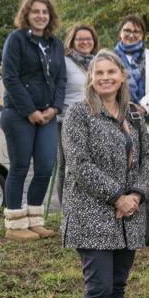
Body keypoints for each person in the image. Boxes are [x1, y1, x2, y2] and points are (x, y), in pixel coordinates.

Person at [61, 50, 149, 298]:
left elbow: (148, 158)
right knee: (98, 288)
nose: (105, 77)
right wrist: (117, 196)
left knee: (117, 288)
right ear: (91, 77)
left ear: (122, 76)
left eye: (111, 71)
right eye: (98, 72)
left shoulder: (133, 114)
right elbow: (79, 164)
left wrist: (137, 195)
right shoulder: (78, 113)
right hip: (91, 212)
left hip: (128, 213)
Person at [0, 0, 66, 241]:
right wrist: (30, 111)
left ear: (50, 17)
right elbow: (11, 78)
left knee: (45, 168)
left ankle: (35, 220)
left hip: (48, 116)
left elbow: (61, 79)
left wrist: (55, 108)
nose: (40, 16)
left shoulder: (56, 43)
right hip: (18, 114)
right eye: (35, 11)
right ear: (27, 14)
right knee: (18, 167)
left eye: (45, 12)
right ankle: (15, 225)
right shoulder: (16, 40)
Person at [56, 23, 100, 205]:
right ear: (72, 41)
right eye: (80, 39)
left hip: (94, 119)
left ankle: (88, 206)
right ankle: (66, 209)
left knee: (92, 164)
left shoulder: (99, 61)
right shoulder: (63, 61)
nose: (84, 42)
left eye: (88, 39)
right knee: (66, 165)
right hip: (67, 120)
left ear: (94, 41)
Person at [113, 15, 149, 136]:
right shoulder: (110, 57)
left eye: (136, 31)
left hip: (147, 118)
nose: (131, 34)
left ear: (142, 35)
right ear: (120, 32)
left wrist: (142, 107)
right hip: (118, 117)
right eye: (127, 30)